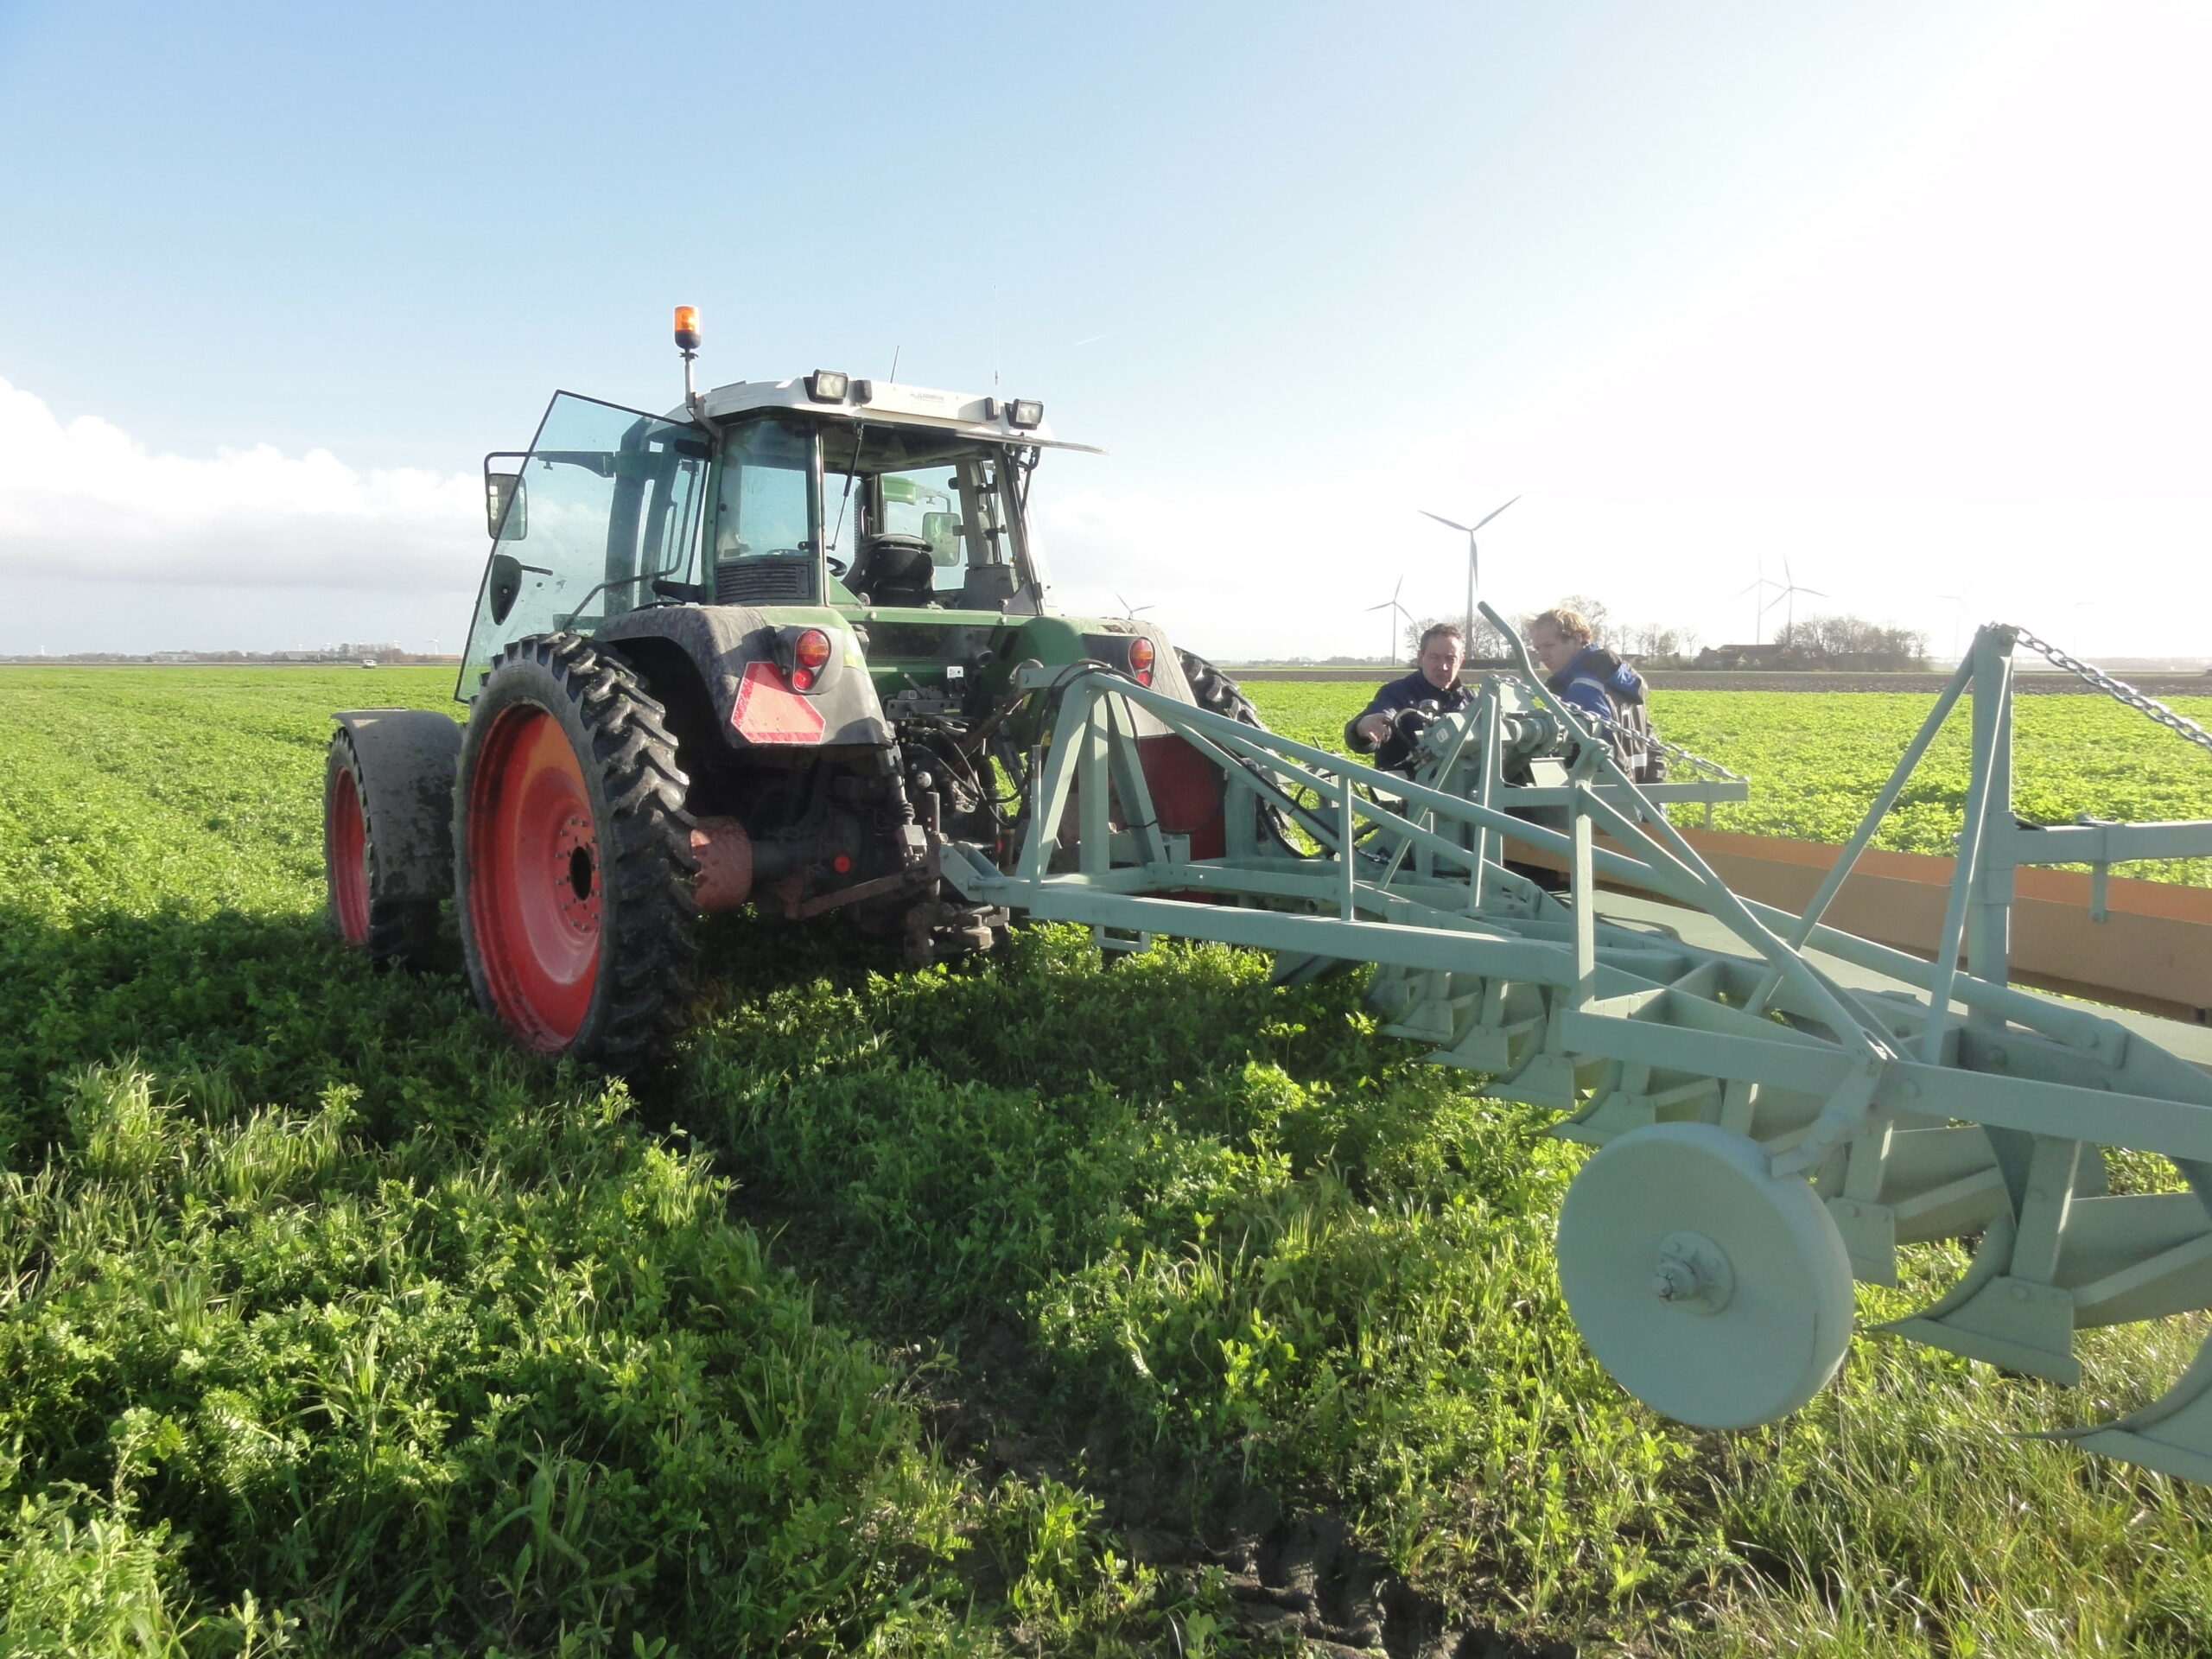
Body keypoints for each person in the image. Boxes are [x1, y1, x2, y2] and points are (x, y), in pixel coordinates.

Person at [1525, 607, 1665, 782]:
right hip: (1643, 794)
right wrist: (1655, 801)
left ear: (1576, 639)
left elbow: (1606, 757)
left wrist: (1626, 804)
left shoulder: (1582, 689)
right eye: (1538, 649)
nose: (1542, 656)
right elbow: (1654, 749)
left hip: (1614, 800)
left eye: (1549, 646)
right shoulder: (1621, 680)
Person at [1347, 623, 1471, 768]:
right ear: (1420, 657)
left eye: (1450, 659)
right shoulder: (1397, 693)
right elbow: (1384, 714)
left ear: (1461, 661)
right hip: (1405, 786)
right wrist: (1361, 728)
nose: (1443, 666)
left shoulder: (1472, 700)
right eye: (1434, 657)